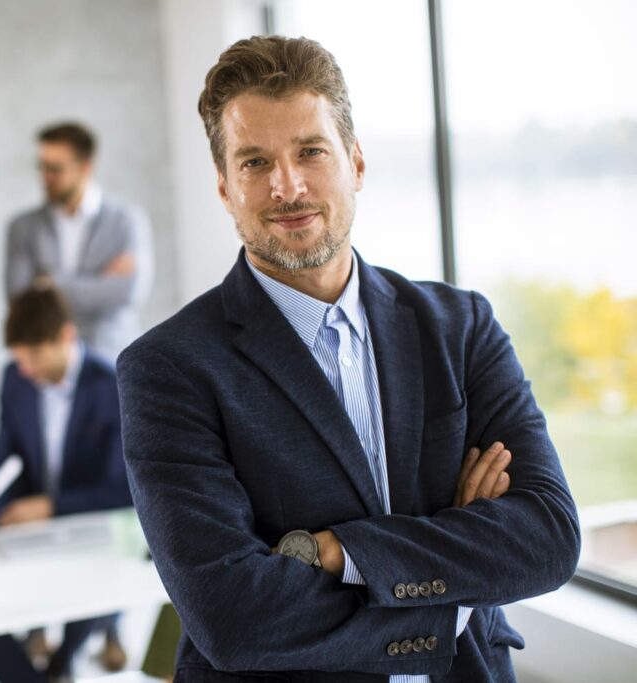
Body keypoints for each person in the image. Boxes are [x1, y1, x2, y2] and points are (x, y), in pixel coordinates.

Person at [116, 36, 580, 682]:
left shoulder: (460, 327)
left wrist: (339, 551)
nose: (287, 185)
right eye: (255, 162)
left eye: (310, 151)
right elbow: (232, 615)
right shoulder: (167, 369)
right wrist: (454, 591)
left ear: (356, 163)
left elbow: (548, 537)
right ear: (224, 188)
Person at [0, 285, 133, 679]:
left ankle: (61, 662)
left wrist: (51, 509)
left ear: (66, 337)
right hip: (34, 528)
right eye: (18, 357)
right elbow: (4, 460)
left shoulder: (111, 385)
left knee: (93, 582)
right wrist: (1, 511)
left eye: (33, 355)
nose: (25, 368)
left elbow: (121, 490)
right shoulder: (14, 380)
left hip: (93, 526)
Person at [5, 122, 154, 363]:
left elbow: (127, 292)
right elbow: (21, 300)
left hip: (113, 359)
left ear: (85, 167)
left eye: (55, 169)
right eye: (41, 167)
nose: (45, 177)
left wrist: (49, 284)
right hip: (48, 366)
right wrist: (98, 283)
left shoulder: (126, 222)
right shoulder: (23, 228)